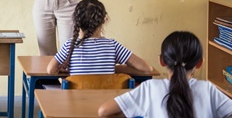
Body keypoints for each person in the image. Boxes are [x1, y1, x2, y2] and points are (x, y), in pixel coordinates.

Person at [98, 31, 232, 118]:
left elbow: (103, 112)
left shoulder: (149, 89)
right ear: (200, 63)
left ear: (161, 61)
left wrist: (131, 111)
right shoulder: (208, 90)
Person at [46, 0, 152, 75]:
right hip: (105, 104)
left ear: (76, 21)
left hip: (77, 104)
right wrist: (113, 68)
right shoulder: (112, 45)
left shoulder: (70, 45)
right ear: (104, 20)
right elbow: (147, 68)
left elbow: (50, 70)